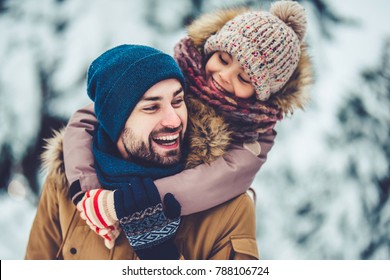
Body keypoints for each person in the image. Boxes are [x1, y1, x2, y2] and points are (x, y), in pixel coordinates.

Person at [60, 0, 312, 250]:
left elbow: (212, 181)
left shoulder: (254, 135)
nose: (224, 76)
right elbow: (89, 118)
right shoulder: (176, 77)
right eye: (223, 59)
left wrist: (121, 205)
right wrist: (87, 192)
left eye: (244, 78)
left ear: (262, 93)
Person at [25, 44, 260, 260]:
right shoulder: (64, 184)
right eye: (151, 107)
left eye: (178, 101)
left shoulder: (232, 209)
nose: (174, 120)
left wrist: (162, 259)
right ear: (114, 120)